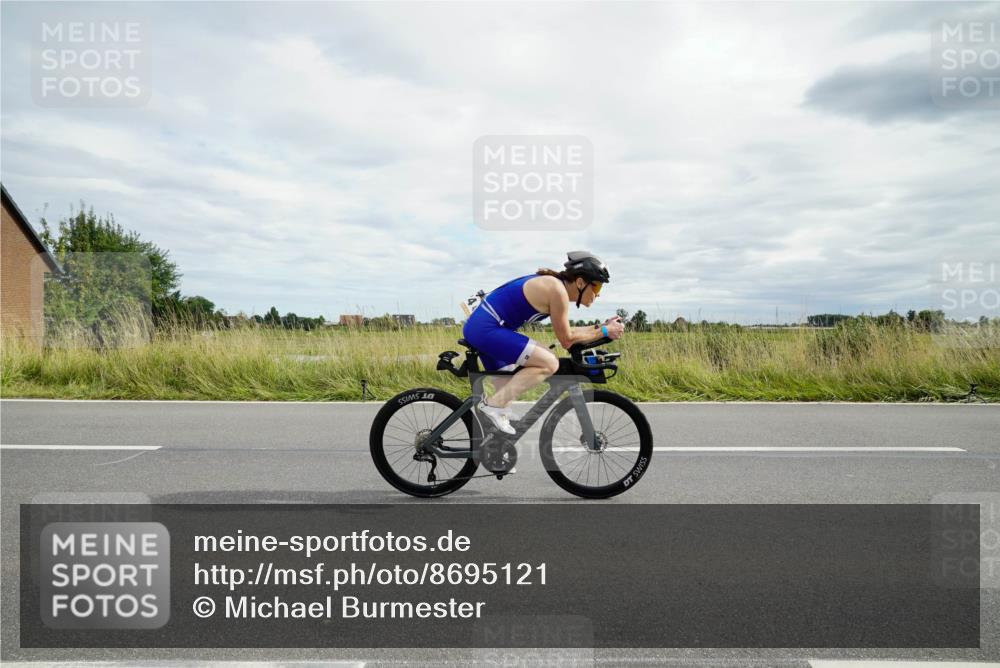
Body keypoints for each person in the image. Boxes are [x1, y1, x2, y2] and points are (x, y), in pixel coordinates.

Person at [462, 251, 624, 434]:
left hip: (486, 328)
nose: (598, 295)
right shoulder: (557, 291)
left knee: (506, 388)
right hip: (486, 329)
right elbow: (567, 340)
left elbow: (568, 332)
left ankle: (493, 445)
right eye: (597, 288)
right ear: (580, 282)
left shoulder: (556, 286)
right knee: (549, 362)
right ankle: (491, 406)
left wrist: (601, 327)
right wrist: (604, 331)